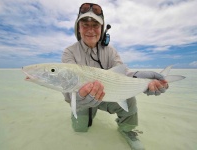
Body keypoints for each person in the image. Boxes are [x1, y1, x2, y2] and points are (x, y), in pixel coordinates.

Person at [62, 3, 168, 150]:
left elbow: (124, 75)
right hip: (82, 100)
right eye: (85, 25)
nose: (91, 30)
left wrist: (139, 78)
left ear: (102, 28)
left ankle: (127, 129)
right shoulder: (70, 52)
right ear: (78, 28)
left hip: (107, 95)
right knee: (80, 130)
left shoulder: (110, 51)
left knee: (129, 99)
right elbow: (67, 86)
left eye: (95, 25)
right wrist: (80, 99)